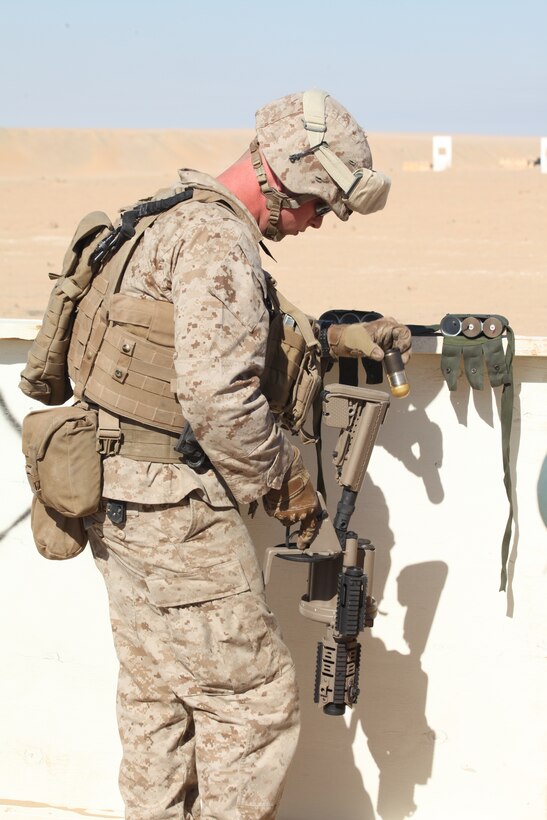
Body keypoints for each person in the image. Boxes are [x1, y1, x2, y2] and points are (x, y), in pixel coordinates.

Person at [73, 89, 411, 819]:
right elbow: (218, 399)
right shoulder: (217, 242)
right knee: (252, 704)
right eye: (319, 207)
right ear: (289, 178)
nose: (316, 223)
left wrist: (329, 342)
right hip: (175, 511)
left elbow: (190, 347)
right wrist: (292, 493)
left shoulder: (161, 216)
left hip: (117, 492)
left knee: (159, 695)